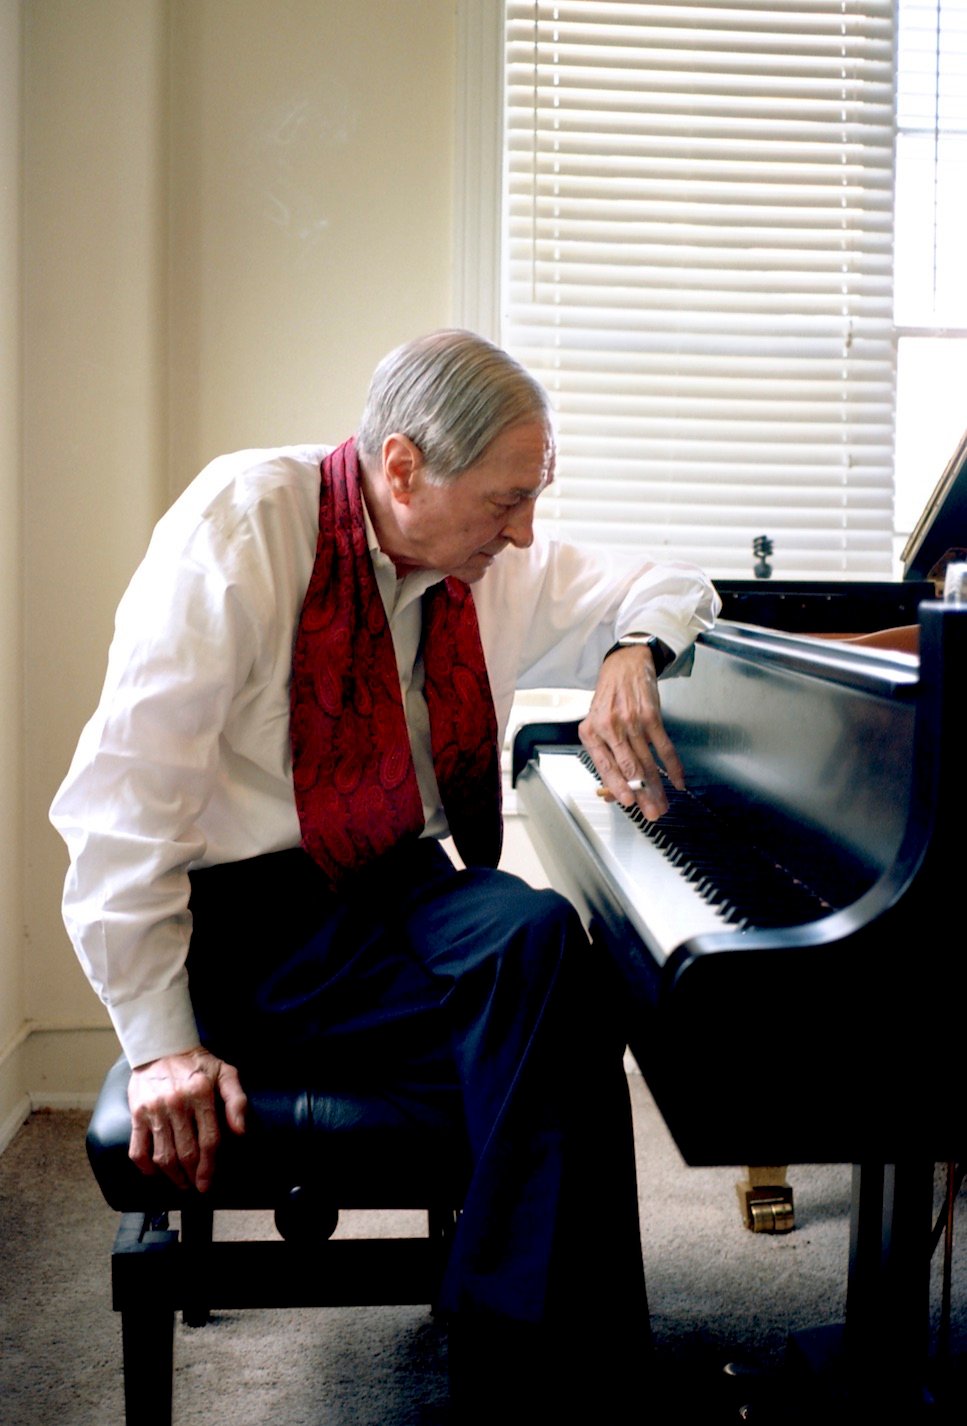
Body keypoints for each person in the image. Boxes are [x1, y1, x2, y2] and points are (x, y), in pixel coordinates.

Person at [50, 330, 719, 1419]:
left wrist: (629, 649)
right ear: (402, 469)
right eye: (506, 501)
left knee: (545, 942)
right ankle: (549, 1371)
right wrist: (164, 1045)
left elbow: (668, 581)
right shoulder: (247, 521)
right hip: (254, 919)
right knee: (552, 1032)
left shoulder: (487, 565)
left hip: (399, 884)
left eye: (533, 497)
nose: (526, 531)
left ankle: (512, 1333)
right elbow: (124, 797)